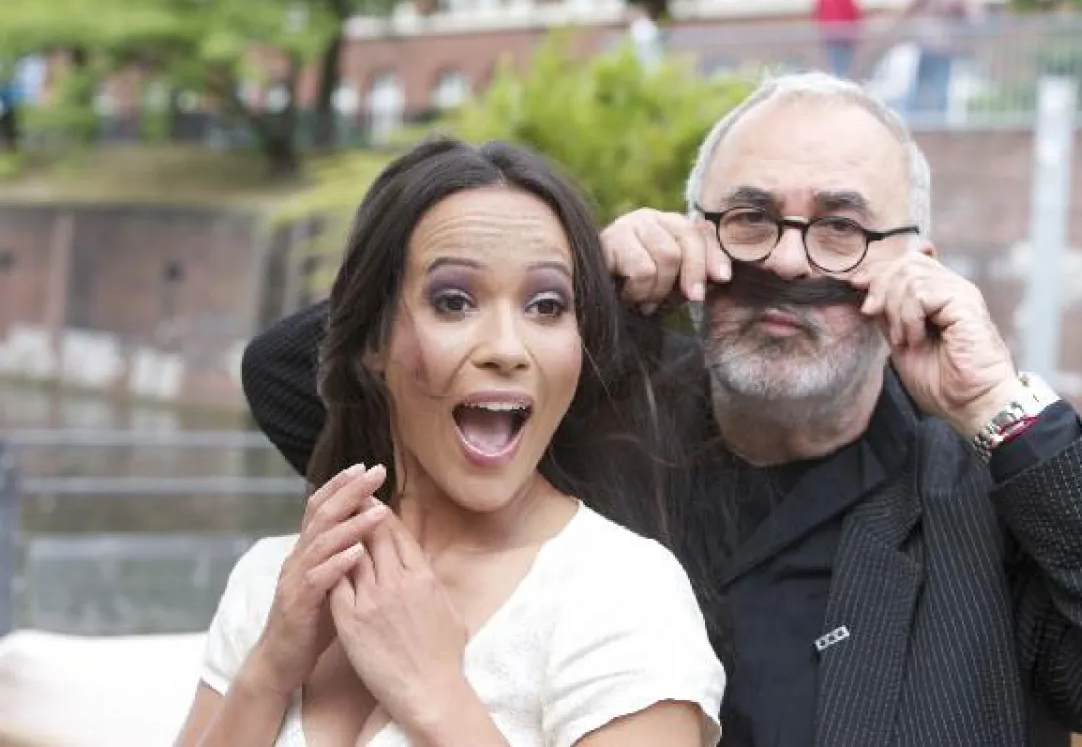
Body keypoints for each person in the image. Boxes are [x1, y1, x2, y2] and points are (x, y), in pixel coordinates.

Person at [239, 75, 1082, 747]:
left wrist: (1000, 406)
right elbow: (296, 378)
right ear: (698, 235)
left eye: (840, 227)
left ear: (918, 266)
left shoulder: (987, 511)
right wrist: (585, 288)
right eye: (749, 218)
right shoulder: (584, 424)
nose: (785, 260)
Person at [177, 137, 724, 747]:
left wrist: (435, 696)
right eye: (454, 301)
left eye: (546, 305)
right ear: (373, 340)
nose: (507, 349)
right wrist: (269, 672)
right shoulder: (275, 580)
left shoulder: (622, 594)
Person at [897, 0, 976, 117]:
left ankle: (914, 116)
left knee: (920, 80)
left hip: (926, 40)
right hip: (948, 43)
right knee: (942, 82)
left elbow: (908, 7)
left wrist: (901, 23)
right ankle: (940, 118)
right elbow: (973, 16)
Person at [813, 0, 862, 79]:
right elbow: (852, 9)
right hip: (846, 33)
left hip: (829, 32)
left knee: (833, 62)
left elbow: (819, 7)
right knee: (843, 65)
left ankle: (837, 80)